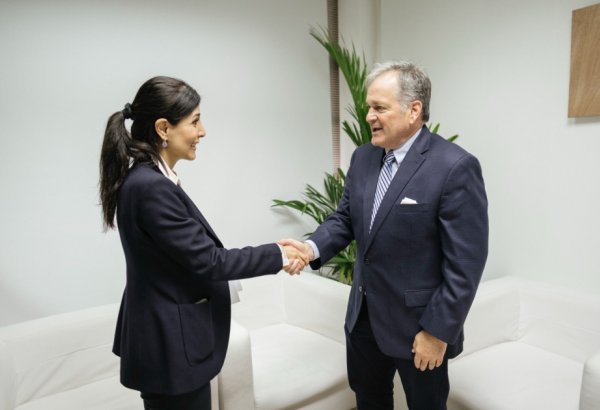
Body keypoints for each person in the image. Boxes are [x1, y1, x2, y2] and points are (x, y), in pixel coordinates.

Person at [282, 61, 488, 409]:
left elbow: (465, 263)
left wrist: (437, 332)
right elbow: (346, 218)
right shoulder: (363, 157)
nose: (369, 116)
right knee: (369, 401)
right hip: (363, 319)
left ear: (414, 110)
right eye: (368, 107)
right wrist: (311, 247)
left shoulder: (454, 166)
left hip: (420, 327)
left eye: (379, 107)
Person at [99, 76, 307, 410]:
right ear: (163, 128)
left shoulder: (150, 179)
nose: (203, 131)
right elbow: (210, 261)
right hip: (170, 346)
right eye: (195, 121)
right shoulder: (151, 187)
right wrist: (280, 254)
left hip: (168, 342)